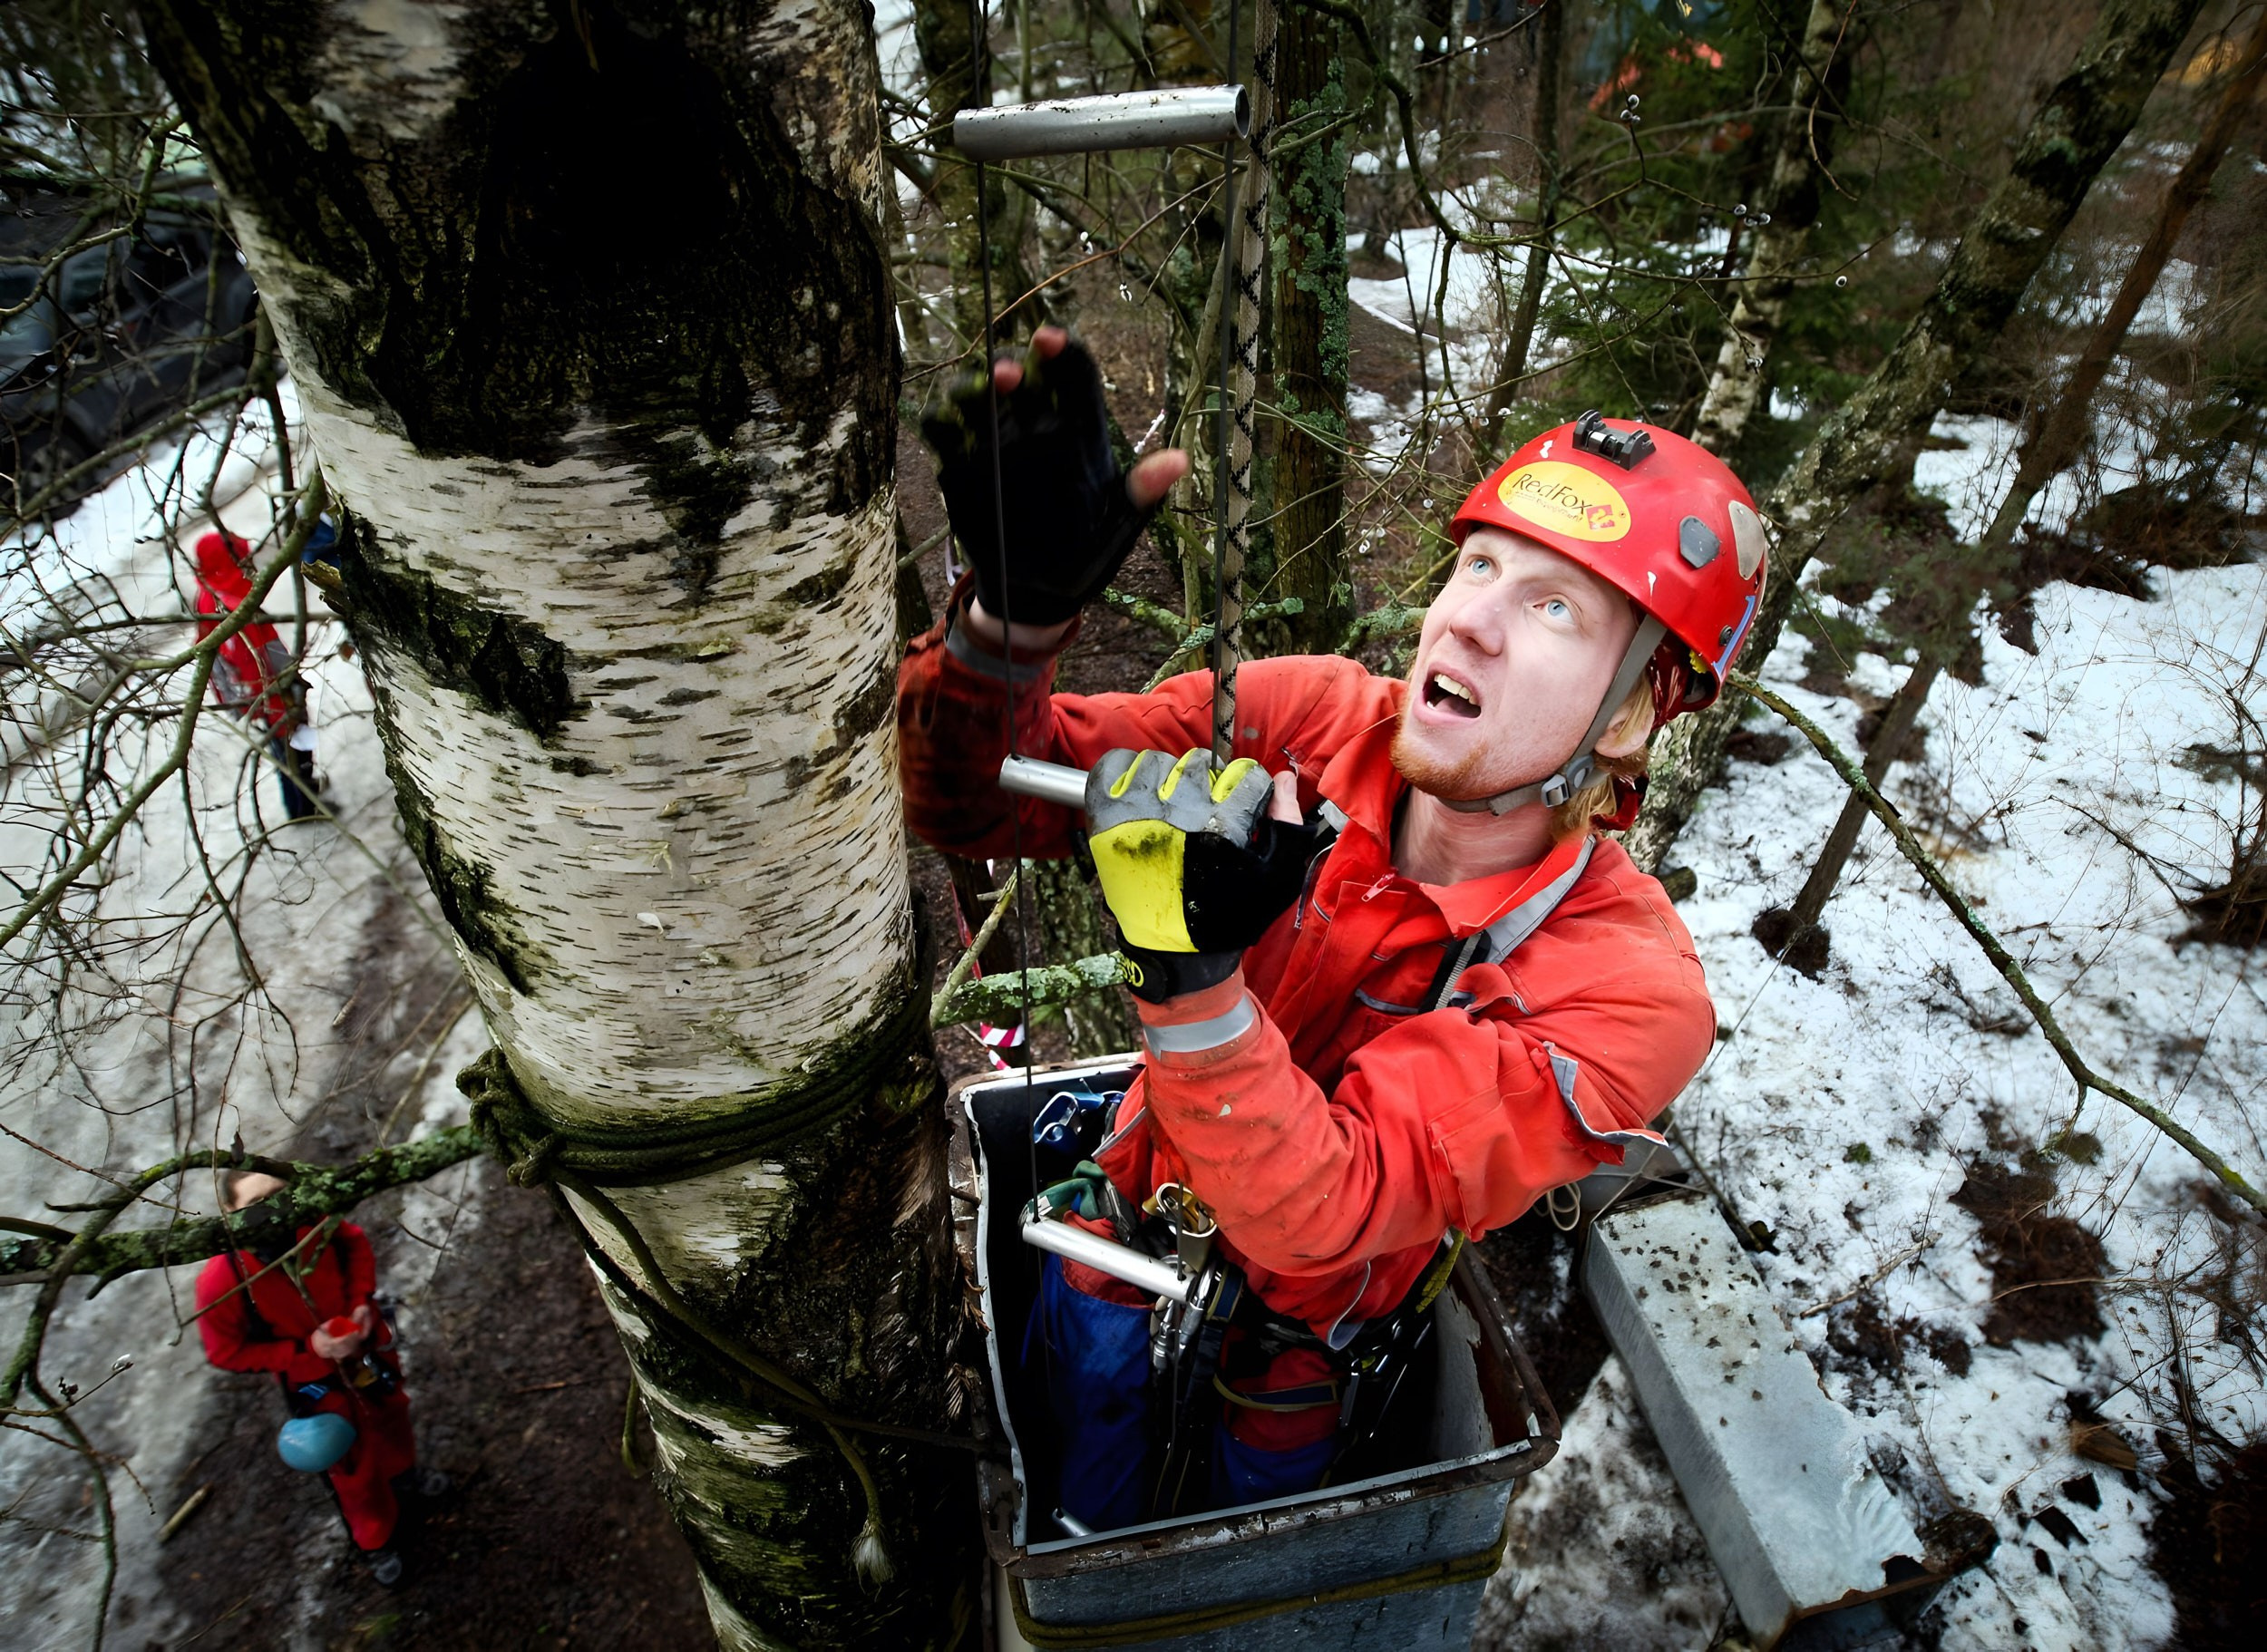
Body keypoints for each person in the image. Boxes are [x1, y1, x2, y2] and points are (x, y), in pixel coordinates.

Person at [899, 328, 1769, 1530]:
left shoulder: (1624, 989)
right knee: (1078, 1511)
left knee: (1219, 1556)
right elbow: (977, 795)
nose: (1467, 623)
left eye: (1555, 605)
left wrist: (1190, 973)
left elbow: (1333, 1202)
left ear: (1636, 714)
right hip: (1121, 1234)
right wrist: (1009, 630)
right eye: (1478, 568)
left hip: (1295, 1356)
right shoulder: (1305, 721)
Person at [194, 1172, 448, 1586]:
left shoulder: (312, 1222)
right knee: (349, 1461)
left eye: (280, 1195)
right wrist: (305, 1352)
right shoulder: (223, 1280)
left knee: (392, 1412)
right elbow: (225, 1352)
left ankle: (405, 1476)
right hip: (311, 1379)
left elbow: (354, 1242)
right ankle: (374, 1539)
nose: (275, 1209)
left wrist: (361, 1302)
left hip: (364, 1348)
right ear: (230, 1212)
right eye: (258, 1202)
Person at [192, 530, 320, 821]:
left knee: (288, 754)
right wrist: (281, 710)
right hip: (277, 699)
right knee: (292, 757)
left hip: (271, 696)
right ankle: (303, 811)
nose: (250, 565)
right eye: (242, 558)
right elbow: (253, 668)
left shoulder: (212, 593)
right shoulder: (233, 609)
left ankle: (305, 799)